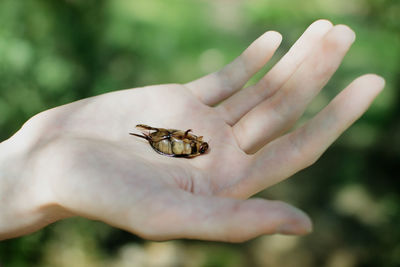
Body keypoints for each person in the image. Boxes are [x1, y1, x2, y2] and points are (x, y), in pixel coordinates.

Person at [0, 20, 384, 242]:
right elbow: (171, 146)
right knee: (161, 139)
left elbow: (176, 146)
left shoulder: (189, 145)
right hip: (165, 140)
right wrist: (31, 169)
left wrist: (27, 171)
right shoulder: (182, 144)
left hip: (167, 141)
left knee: (164, 140)